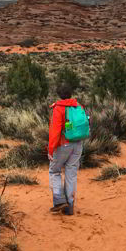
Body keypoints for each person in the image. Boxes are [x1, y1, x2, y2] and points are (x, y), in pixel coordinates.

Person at [48, 84, 83, 215]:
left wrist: (51, 149)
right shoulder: (78, 106)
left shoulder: (59, 108)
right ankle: (69, 206)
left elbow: (55, 131)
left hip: (63, 144)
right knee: (71, 174)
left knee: (54, 171)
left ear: (59, 94)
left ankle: (59, 200)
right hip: (78, 144)